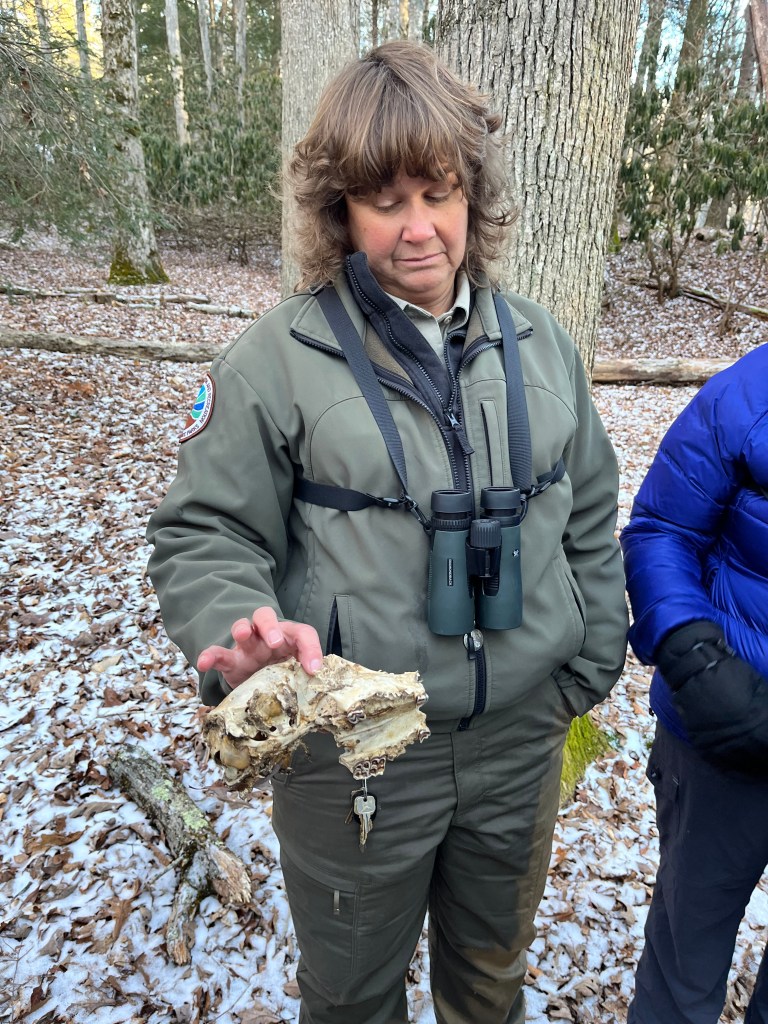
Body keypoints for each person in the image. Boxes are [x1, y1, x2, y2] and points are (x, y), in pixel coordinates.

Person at [147, 40, 627, 1024]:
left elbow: (588, 510)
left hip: (520, 746)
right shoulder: (275, 360)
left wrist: (584, 668)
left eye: (438, 193)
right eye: (385, 200)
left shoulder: (541, 345)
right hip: (353, 759)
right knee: (353, 1000)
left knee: (490, 982)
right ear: (341, 210)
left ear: (472, 196)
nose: (418, 229)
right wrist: (244, 635)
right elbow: (204, 532)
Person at [621, 343, 768, 1024]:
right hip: (722, 731)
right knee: (685, 960)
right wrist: (694, 658)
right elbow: (661, 529)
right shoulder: (748, 393)